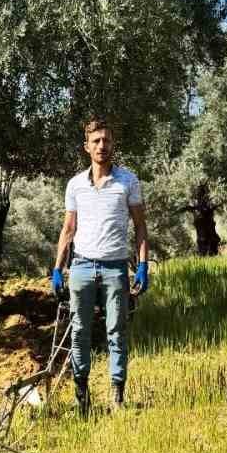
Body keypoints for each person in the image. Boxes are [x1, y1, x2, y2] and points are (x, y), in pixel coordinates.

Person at [52, 117, 149, 415]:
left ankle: (117, 396)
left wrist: (143, 265)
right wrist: (58, 268)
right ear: (86, 147)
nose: (101, 145)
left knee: (116, 332)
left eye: (106, 140)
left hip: (115, 269)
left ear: (113, 144)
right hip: (81, 267)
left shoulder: (128, 182)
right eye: (96, 141)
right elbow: (68, 228)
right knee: (79, 331)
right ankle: (81, 397)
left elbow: (141, 227)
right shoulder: (75, 185)